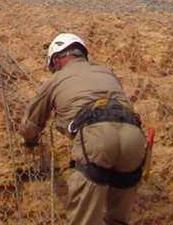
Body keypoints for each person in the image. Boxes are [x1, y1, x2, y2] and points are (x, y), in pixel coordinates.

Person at [19, 33, 146, 225]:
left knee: (84, 220)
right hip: (134, 138)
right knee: (118, 220)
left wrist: (30, 142)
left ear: (56, 61)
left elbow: (29, 128)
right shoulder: (106, 72)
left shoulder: (56, 79)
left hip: (97, 137)